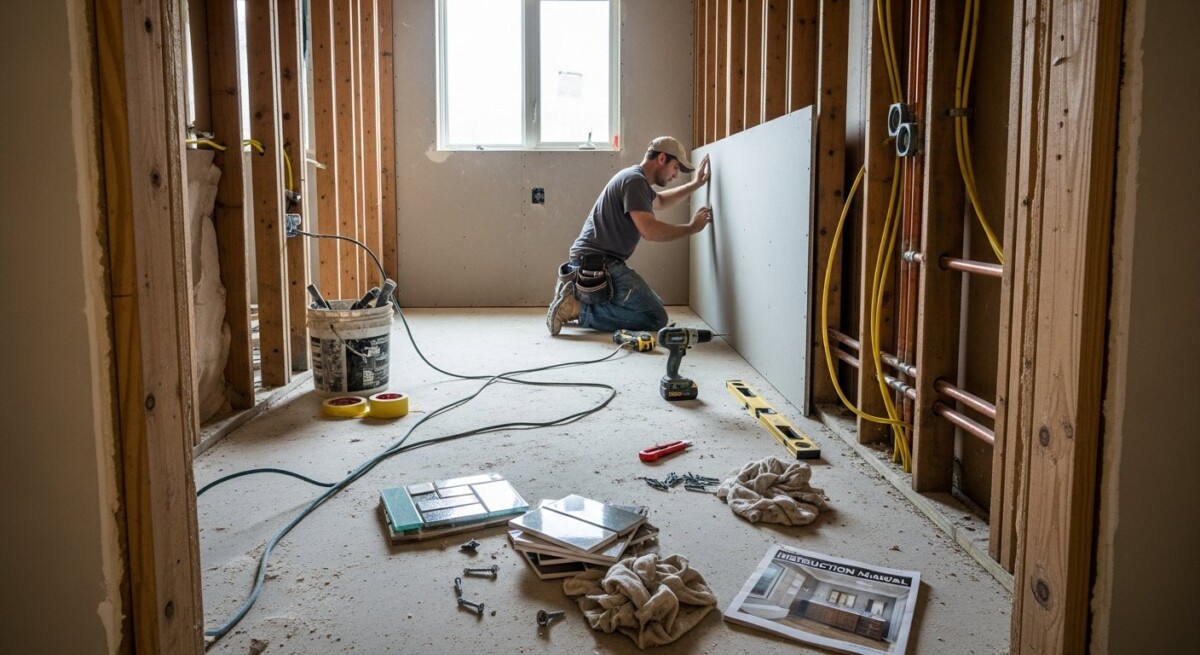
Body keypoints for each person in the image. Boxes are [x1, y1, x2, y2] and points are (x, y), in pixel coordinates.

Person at [547, 136, 713, 336]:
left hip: (591, 262)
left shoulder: (635, 180)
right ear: (662, 158)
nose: (676, 175)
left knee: (653, 305)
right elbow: (649, 231)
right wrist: (692, 228)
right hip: (597, 264)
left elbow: (659, 201)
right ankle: (578, 308)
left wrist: (695, 185)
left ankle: (576, 296)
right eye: (676, 167)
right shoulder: (635, 181)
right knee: (655, 317)